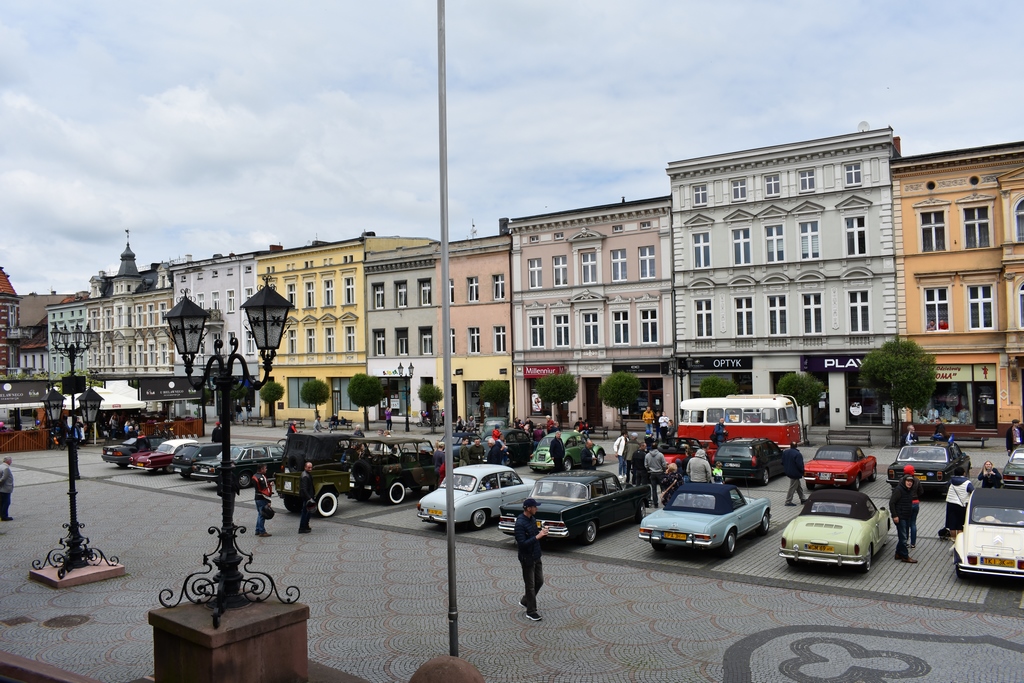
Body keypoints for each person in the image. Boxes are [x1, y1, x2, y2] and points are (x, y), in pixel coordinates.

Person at [514, 497, 549, 622]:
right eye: (535, 507)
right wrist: (538, 536)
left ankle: (525, 600)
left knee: (539, 581)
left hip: (536, 555)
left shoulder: (532, 519)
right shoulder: (520, 524)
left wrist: (542, 533)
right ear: (529, 508)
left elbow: (535, 535)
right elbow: (522, 543)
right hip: (527, 558)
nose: (537, 508)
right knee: (530, 586)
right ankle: (531, 611)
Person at [890, 473, 918, 563]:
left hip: (906, 516)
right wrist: (895, 515)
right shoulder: (899, 490)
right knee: (903, 538)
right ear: (904, 481)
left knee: (904, 536)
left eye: (911, 482)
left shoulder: (909, 491)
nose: (909, 483)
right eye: (908, 481)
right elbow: (892, 503)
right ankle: (905, 556)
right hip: (900, 517)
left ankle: (898, 553)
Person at [945, 467, 974, 538]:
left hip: (951, 503)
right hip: (962, 505)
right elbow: (972, 491)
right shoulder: (967, 482)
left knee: (952, 525)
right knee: (960, 525)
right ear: (964, 473)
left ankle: (954, 540)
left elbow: (947, 488)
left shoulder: (951, 481)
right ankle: (959, 541)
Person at [901, 465, 923, 548]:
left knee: (906, 523)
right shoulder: (917, 480)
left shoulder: (902, 480)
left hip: (906, 503)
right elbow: (921, 491)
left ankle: (905, 541)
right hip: (915, 503)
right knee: (913, 523)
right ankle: (913, 543)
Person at [782, 442, 808, 506]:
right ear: (796, 446)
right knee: (793, 487)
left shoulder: (785, 452)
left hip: (788, 472)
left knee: (798, 486)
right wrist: (802, 472)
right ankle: (788, 501)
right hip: (795, 473)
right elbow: (800, 465)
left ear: (790, 446)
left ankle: (803, 498)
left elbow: (782, 462)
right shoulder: (798, 454)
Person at [645, 440, 667, 508]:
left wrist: (649, 469)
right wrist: (664, 470)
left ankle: (655, 503)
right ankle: (664, 501)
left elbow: (646, 465)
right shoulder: (660, 455)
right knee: (663, 488)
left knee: (654, 489)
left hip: (652, 473)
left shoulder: (647, 455)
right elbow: (664, 464)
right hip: (660, 473)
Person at [254, 464, 273, 537]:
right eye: (265, 468)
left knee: (259, 514)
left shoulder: (255, 476)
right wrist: (269, 500)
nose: (266, 469)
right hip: (262, 498)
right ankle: (262, 531)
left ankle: (258, 529)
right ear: (261, 469)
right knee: (262, 515)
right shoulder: (262, 478)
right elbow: (265, 490)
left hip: (257, 497)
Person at [298, 461, 314, 534]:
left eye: (311, 467)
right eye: (308, 467)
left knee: (307, 512)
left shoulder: (306, 474)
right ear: (305, 467)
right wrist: (309, 498)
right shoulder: (305, 476)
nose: (310, 469)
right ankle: (302, 527)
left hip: (307, 496)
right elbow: (304, 488)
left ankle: (305, 526)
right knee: (305, 512)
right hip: (306, 497)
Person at [0, 456, 13, 521]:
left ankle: (2, 514)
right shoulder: (6, 468)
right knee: (6, 502)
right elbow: (3, 479)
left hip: (2, 489)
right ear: (8, 461)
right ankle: (4, 516)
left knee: (2, 502)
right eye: (11, 461)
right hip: (5, 488)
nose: (11, 462)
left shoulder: (1, 466)